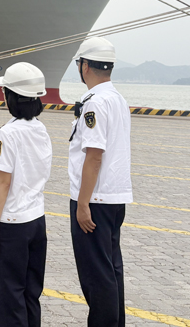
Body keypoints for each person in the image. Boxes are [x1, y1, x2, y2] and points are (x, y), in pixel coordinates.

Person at [68, 37, 132, 327]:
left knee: (96, 276)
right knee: (111, 270)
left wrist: (83, 204)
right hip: (114, 198)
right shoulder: (118, 99)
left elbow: (94, 156)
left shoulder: (94, 103)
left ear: (85, 66)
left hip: (94, 199)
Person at [0, 62, 52, 327]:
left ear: (10, 96)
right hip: (36, 220)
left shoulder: (7, 133)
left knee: (10, 296)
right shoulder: (41, 129)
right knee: (31, 293)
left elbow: (4, 183)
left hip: (12, 224)